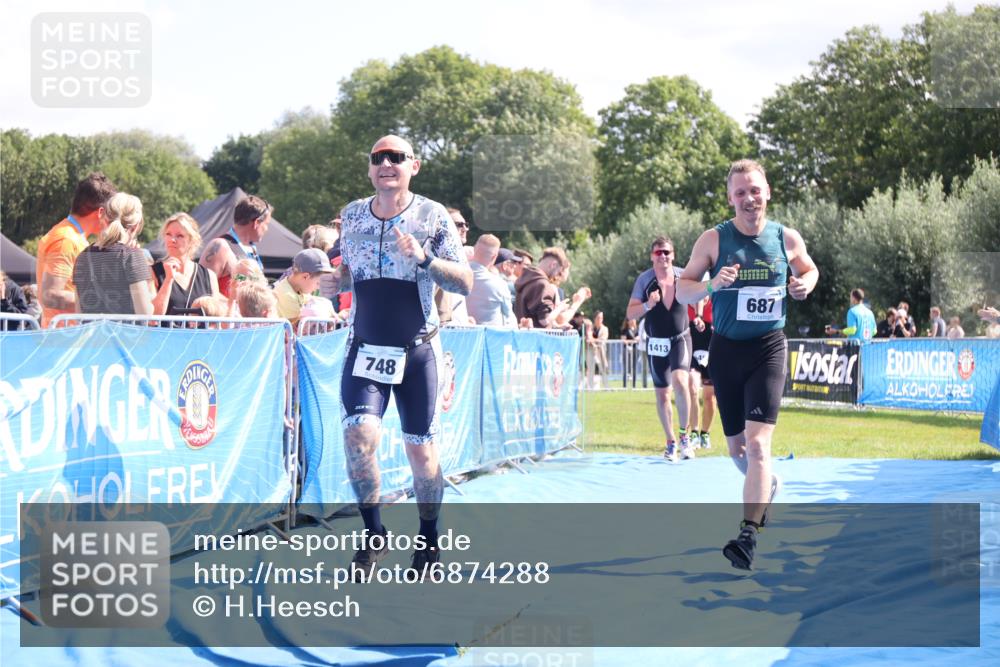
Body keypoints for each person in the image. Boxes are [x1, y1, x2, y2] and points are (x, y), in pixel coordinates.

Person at [339, 135, 472, 578]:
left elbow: (464, 282)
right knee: (358, 439)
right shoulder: (352, 214)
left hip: (418, 351)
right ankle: (374, 535)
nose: (386, 164)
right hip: (364, 348)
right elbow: (350, 273)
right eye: (378, 157)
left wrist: (425, 259)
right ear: (369, 167)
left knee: (422, 454)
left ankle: (429, 539)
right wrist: (335, 287)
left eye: (396, 157)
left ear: (413, 165)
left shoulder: (433, 216)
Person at [678, 159, 819, 570]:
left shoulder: (785, 238)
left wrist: (803, 286)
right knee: (738, 450)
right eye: (740, 192)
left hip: (768, 348)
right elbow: (683, 290)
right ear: (730, 198)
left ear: (767, 192)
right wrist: (711, 285)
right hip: (726, 350)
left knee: (758, 445)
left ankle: (748, 535)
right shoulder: (713, 240)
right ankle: (767, 486)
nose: (749, 198)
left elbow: (810, 269)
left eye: (755, 190)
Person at [625, 236, 696, 462]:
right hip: (656, 342)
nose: (663, 256)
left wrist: (698, 315)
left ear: (673, 255)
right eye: (658, 252)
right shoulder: (645, 280)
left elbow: (700, 295)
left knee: (681, 381)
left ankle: (685, 437)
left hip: (680, 338)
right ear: (652, 256)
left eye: (667, 252)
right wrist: (648, 304)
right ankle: (670, 441)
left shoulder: (683, 276)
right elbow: (630, 313)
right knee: (663, 394)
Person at [36, 172, 117, 327]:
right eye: (111, 214)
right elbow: (50, 295)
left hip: (72, 335)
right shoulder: (66, 240)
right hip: (64, 337)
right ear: (100, 212)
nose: (112, 221)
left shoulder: (72, 236)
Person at [72, 193, 154, 316]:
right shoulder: (132, 257)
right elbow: (145, 314)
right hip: (125, 329)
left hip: (92, 329)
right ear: (136, 226)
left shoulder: (82, 257)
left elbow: (79, 312)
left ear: (104, 219)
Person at [200, 194, 272, 296]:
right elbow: (202, 291)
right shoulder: (220, 247)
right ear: (256, 223)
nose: (267, 229)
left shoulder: (252, 249)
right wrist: (230, 304)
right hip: (225, 306)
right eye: (267, 224)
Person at [152, 212, 220, 316]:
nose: (172, 240)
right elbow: (153, 316)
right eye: (168, 234)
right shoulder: (153, 272)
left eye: (180, 236)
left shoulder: (209, 276)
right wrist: (168, 280)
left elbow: (217, 318)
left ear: (192, 240)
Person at [514, 247, 590, 328]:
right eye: (558, 271)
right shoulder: (543, 284)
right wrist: (559, 308)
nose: (556, 275)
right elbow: (544, 320)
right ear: (553, 265)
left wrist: (558, 326)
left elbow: (535, 316)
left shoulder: (527, 279)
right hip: (537, 335)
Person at [273, 248, 336, 328]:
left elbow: (314, 301)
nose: (318, 288)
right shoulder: (286, 295)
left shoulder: (299, 289)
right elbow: (297, 328)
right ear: (306, 276)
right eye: (318, 283)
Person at [467, 234, 516, 328]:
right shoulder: (499, 284)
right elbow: (509, 318)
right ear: (494, 257)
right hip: (490, 336)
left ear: (474, 249)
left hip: (458, 333)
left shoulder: (456, 276)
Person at [686, 296, 715, 449]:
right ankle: (694, 433)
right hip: (692, 355)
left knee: (709, 397)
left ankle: (705, 433)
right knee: (692, 389)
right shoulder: (685, 306)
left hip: (712, 355)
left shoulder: (714, 304)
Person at [586, 310, 610, 389]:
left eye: (601, 318)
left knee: (603, 369)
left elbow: (602, 339)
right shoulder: (590, 328)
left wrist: (593, 340)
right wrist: (593, 340)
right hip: (590, 351)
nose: (600, 319)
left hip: (601, 351)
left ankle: (606, 387)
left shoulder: (605, 329)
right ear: (595, 318)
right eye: (598, 318)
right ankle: (590, 387)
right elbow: (588, 338)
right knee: (590, 369)